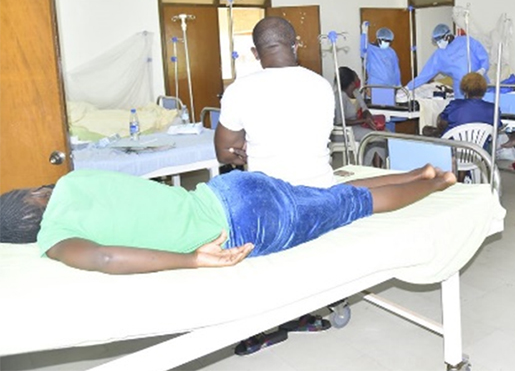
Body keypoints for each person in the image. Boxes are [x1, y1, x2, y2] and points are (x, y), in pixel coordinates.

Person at [0, 165, 455, 273]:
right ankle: (422, 171)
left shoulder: (56, 239)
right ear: (28, 198)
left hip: (246, 222)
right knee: (333, 195)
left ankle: (437, 183)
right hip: (228, 187)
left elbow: (104, 257)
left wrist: (194, 260)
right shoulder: (72, 180)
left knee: (352, 206)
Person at [215, 16, 336, 188]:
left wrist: (255, 150)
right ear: (295, 47)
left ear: (255, 53)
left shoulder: (239, 90)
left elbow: (225, 153)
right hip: (321, 190)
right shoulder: (322, 85)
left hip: (269, 197)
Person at [405, 24, 490, 99]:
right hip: (460, 89)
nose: (438, 44)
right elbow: (425, 74)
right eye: (436, 42)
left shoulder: (466, 41)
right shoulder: (439, 55)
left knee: (482, 109)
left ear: (447, 37)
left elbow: (483, 55)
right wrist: (408, 88)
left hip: (479, 84)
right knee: (462, 112)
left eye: (440, 40)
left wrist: (482, 70)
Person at [333, 66, 386, 167]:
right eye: (356, 77)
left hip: (358, 126)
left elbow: (364, 108)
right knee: (376, 136)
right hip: (346, 131)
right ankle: (374, 167)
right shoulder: (340, 97)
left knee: (384, 133)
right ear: (352, 82)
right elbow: (340, 122)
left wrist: (369, 118)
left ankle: (377, 168)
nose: (358, 79)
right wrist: (363, 120)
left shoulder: (355, 92)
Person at [422, 72, 498, 137]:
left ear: (464, 89)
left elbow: (441, 124)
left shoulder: (454, 105)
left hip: (455, 147)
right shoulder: (493, 109)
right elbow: (498, 128)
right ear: (484, 89)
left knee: (426, 130)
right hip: (480, 151)